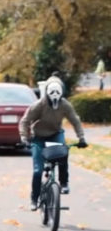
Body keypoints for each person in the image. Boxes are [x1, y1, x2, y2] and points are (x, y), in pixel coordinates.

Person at [19, 75, 87, 211]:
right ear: (47, 93)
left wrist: (81, 138)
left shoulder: (65, 105)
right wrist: (24, 137)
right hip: (38, 137)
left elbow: (75, 120)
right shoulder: (39, 105)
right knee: (38, 171)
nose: (55, 97)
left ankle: (63, 183)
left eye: (58, 93)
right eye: (52, 94)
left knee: (63, 153)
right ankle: (35, 197)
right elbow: (25, 121)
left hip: (55, 135)